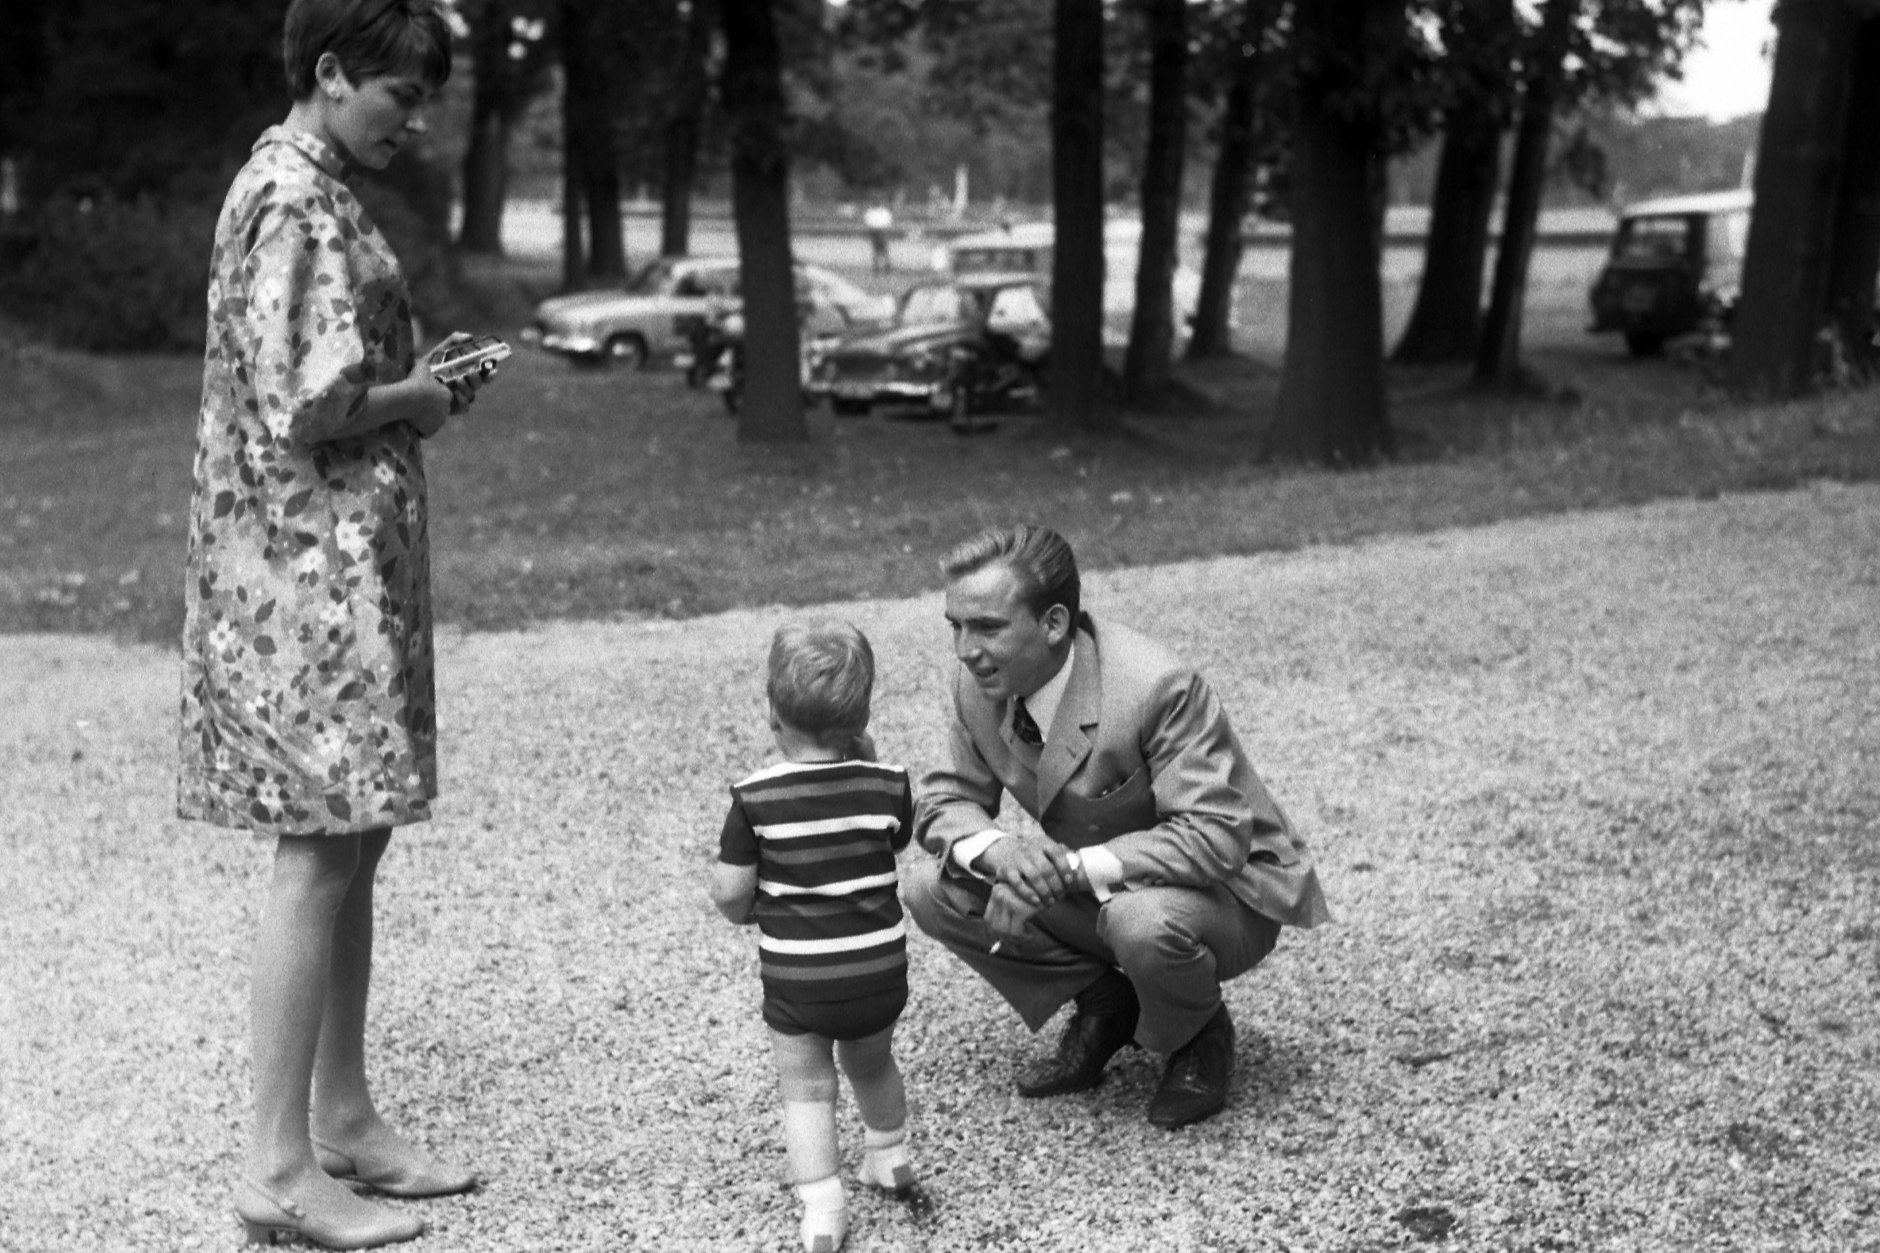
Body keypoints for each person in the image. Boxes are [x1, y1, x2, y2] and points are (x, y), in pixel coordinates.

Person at [176, 1, 494, 1246]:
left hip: (335, 573)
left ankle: (344, 1116)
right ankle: (273, 1164)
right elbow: (311, 404)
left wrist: (415, 381)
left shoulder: (311, 186)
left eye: (422, 98)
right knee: (317, 847)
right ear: (329, 73)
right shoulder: (294, 196)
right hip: (303, 581)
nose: (412, 121)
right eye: (398, 95)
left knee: (354, 836)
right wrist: (423, 394)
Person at [904, 525, 1331, 1129]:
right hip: (1101, 884)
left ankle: (1200, 1032)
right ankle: (1106, 1003)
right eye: (956, 626)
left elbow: (1215, 835)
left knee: (1141, 922)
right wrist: (1004, 854)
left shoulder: (1156, 686)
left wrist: (1065, 871)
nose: (965, 650)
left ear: (1053, 624)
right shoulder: (980, 685)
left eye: (988, 628)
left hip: (1227, 892)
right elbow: (944, 800)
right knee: (931, 889)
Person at [710, 622, 919, 1253]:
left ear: (773, 713)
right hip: (878, 971)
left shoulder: (755, 798)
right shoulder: (888, 783)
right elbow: (895, 841)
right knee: (872, 1059)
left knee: (806, 1088)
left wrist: (753, 913)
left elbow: (729, 891)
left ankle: (824, 1207)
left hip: (801, 979)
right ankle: (890, 1153)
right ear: (862, 715)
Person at [863, 204, 894, 274]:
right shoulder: (870, 212)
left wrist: (885, 230)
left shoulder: (884, 212)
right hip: (873, 231)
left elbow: (888, 221)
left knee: (884, 249)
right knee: (876, 250)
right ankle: (876, 266)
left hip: (882, 231)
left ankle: (887, 266)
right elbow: (867, 221)